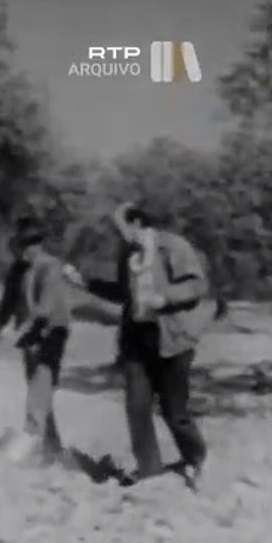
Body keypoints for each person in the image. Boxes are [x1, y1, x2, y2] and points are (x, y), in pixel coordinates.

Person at [62, 202, 209, 488]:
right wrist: (84, 283)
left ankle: (196, 460)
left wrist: (165, 298)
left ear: (137, 223)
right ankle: (149, 469)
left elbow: (196, 286)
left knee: (174, 412)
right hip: (137, 340)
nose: (118, 235)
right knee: (136, 406)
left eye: (121, 228)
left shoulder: (173, 247)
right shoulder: (128, 254)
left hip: (173, 340)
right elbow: (123, 293)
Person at [0, 216, 73, 465]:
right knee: (37, 389)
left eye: (30, 244)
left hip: (51, 331)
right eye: (21, 245)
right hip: (29, 334)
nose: (25, 250)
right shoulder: (18, 269)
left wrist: (18, 333)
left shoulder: (50, 266)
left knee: (40, 386)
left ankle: (35, 445)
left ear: (38, 244)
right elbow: (8, 301)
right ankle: (50, 447)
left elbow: (44, 309)